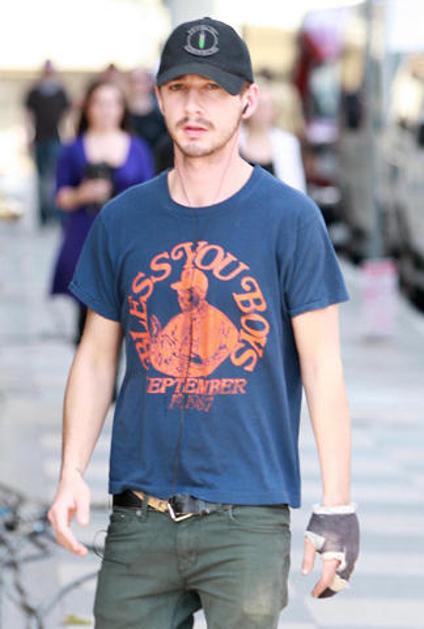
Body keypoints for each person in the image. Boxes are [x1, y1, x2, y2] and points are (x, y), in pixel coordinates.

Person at [48, 17, 360, 628]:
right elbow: (95, 357)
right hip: (139, 515)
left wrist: (338, 507)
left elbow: (323, 368)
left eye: (214, 89)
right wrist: (70, 473)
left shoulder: (290, 220)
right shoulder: (123, 219)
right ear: (158, 97)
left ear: (248, 99)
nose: (195, 106)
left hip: (248, 517)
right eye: (180, 88)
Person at [50, 79, 154, 343]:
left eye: (112, 104)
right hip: (85, 235)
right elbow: (60, 197)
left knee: (128, 316)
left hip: (127, 239)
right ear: (88, 108)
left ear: (122, 109)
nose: (106, 110)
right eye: (99, 103)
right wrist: (82, 194)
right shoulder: (73, 149)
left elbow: (151, 195)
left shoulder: (138, 148)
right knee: (86, 315)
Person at [24, 59, 70, 226]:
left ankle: (53, 213)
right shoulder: (34, 92)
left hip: (55, 139)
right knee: (41, 178)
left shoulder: (60, 92)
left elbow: (66, 117)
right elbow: (28, 117)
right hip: (39, 139)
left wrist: (67, 136)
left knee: (53, 177)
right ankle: (44, 215)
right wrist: (28, 137)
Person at [240, 78, 307, 191]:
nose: (261, 111)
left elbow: (296, 185)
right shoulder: (234, 140)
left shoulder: (287, 142)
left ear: (275, 111)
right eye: (258, 105)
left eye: (266, 106)